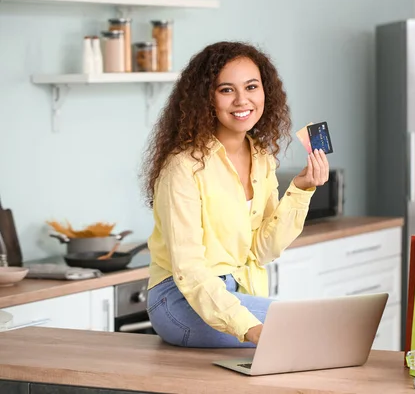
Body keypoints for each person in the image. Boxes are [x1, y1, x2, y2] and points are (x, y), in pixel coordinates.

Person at [141, 41, 329, 348]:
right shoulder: (183, 166)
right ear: (206, 99)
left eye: (251, 87)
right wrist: (250, 328)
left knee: (308, 335)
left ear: (265, 92)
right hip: (179, 300)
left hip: (234, 294)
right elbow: (189, 271)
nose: (242, 100)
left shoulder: (262, 157)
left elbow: (262, 250)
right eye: (226, 90)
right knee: (307, 332)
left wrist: (302, 189)